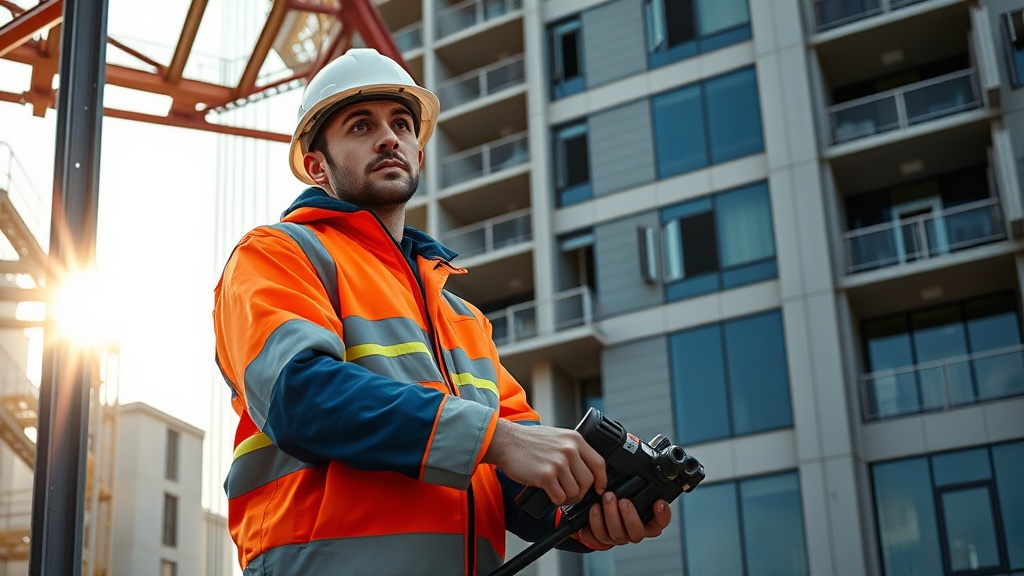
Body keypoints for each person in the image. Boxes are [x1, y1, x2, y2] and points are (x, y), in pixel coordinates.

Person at [213, 48, 671, 576]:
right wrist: (495, 437)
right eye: (361, 126)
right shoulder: (276, 254)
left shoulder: (462, 317)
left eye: (402, 125)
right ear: (317, 167)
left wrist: (586, 516)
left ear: (418, 153)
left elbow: (513, 479)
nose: (389, 137)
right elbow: (301, 397)